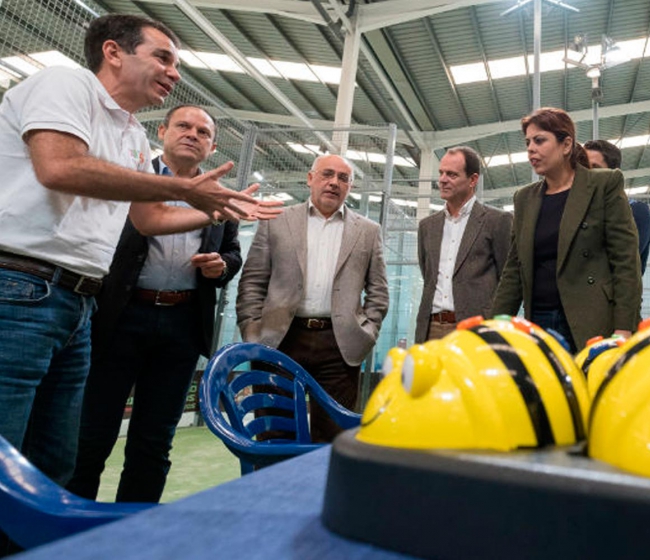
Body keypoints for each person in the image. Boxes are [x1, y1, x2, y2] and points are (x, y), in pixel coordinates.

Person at [0, 14, 279, 487]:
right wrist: (188, 192)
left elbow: (147, 218)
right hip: (22, 287)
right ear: (113, 53)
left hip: (79, 303)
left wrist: (217, 208)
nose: (174, 72)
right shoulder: (65, 84)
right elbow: (59, 167)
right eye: (163, 58)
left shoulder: (130, 134)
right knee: (12, 451)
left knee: (52, 460)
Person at [67, 105, 241, 503]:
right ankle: (74, 532)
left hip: (183, 323)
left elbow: (232, 252)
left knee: (154, 441)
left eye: (203, 132)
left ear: (211, 147)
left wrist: (221, 266)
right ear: (162, 130)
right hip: (121, 317)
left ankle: (135, 530)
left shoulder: (219, 195)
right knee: (91, 434)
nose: (192, 134)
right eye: (184, 125)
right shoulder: (132, 180)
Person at [237, 154, 389, 442]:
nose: (334, 183)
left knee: (334, 438)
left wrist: (367, 332)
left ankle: (325, 489)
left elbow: (378, 291)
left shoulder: (369, 232)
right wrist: (254, 332)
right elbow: (253, 282)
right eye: (327, 174)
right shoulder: (277, 220)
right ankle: (274, 488)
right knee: (274, 434)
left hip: (340, 347)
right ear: (310, 178)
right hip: (280, 341)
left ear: (350, 187)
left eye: (343, 178)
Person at [490, 108, 642, 353]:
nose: (530, 148)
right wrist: (493, 327)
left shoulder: (604, 184)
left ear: (566, 144)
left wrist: (624, 327)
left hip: (591, 320)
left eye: (539, 140)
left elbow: (626, 261)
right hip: (538, 321)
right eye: (527, 142)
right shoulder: (524, 198)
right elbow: (514, 270)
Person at [415, 146, 512, 342]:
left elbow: (508, 280)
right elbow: (428, 276)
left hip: (477, 331)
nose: (442, 179)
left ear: (473, 180)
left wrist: (495, 325)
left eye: (451, 174)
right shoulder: (427, 226)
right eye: (441, 173)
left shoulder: (497, 221)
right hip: (431, 329)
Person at [584, 139, 650, 275]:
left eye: (595, 167)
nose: (587, 173)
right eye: (583, 167)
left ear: (613, 174)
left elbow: (621, 260)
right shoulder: (577, 210)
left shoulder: (636, 211)